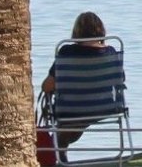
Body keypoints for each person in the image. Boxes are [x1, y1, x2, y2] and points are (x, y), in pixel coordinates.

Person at [41, 12, 125, 150]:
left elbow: (47, 86)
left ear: (77, 32)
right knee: (76, 123)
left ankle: (57, 152)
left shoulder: (66, 52)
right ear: (101, 30)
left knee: (70, 123)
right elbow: (120, 80)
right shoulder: (110, 53)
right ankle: (60, 148)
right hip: (104, 108)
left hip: (71, 108)